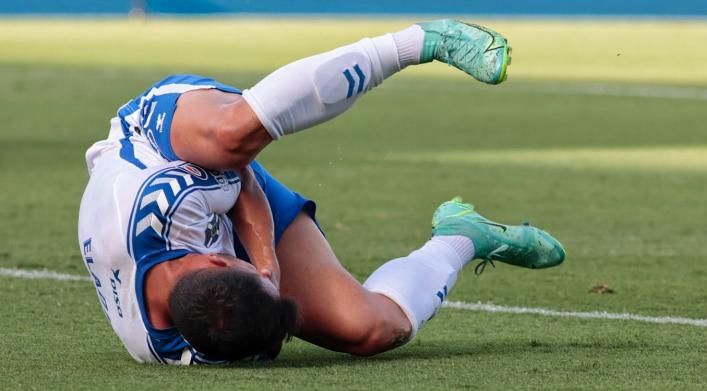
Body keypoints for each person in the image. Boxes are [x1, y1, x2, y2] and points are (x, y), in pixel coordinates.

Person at [77, 20, 566, 365]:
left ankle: (421, 42)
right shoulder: (179, 348)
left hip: (156, 141)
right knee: (370, 330)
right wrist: (264, 309)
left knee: (231, 139)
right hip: (206, 221)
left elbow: (243, 177)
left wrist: (266, 261)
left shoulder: (166, 206)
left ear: (220, 260)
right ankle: (464, 236)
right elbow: (246, 335)